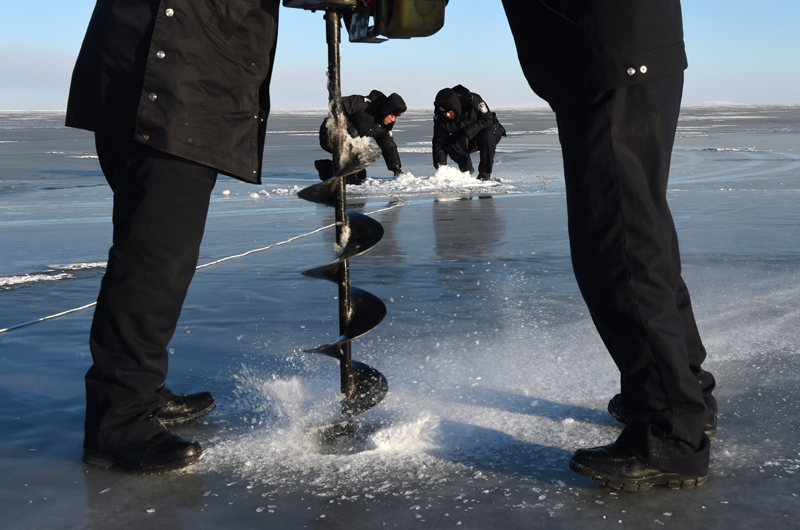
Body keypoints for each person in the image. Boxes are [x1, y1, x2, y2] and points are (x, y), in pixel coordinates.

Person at [501, 0, 717, 490]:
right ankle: (686, 396)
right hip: (628, 47)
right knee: (640, 231)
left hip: (605, 46)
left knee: (617, 243)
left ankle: (669, 429)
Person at [64, 0, 281, 473]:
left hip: (162, 73)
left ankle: (139, 390)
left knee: (153, 249)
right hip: (171, 81)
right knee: (156, 259)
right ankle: (118, 422)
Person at [316, 90, 407, 185]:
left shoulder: (383, 126)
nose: (393, 119)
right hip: (330, 131)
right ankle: (348, 174)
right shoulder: (361, 104)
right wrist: (348, 126)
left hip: (350, 141)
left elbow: (388, 145)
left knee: (361, 174)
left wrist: (396, 167)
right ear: (386, 110)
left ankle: (326, 167)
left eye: (395, 117)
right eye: (392, 115)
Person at [432, 85, 506, 181]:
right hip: (466, 137)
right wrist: (440, 166)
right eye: (444, 113)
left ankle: (484, 173)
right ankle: (466, 172)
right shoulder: (440, 118)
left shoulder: (474, 100)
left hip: (490, 131)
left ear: (455, 107)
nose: (447, 115)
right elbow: (439, 142)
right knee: (453, 145)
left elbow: (487, 120)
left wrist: (467, 133)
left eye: (450, 112)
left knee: (487, 136)